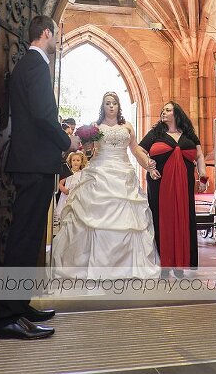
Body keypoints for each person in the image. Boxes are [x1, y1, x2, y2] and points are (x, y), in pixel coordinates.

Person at [0, 15, 80, 340]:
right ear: (46, 33)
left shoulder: (29, 64)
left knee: (28, 240)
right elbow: (44, 115)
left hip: (32, 163)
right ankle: (7, 318)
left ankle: (20, 306)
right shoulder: (36, 64)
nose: (57, 39)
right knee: (24, 239)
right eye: (56, 33)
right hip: (34, 165)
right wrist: (66, 141)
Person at [52, 92, 160, 278]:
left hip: (123, 174)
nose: (111, 106)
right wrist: (85, 143)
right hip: (99, 172)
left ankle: (128, 266)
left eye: (114, 103)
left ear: (119, 106)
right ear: (103, 106)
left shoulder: (127, 126)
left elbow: (135, 150)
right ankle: (88, 263)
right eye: (108, 103)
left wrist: (148, 165)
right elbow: (88, 151)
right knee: (92, 218)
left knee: (129, 220)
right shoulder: (95, 126)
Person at [139, 101, 207, 273]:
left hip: (184, 182)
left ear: (177, 114)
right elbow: (139, 150)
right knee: (161, 219)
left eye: (167, 110)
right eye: (162, 110)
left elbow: (199, 156)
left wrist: (203, 175)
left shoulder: (189, 134)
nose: (163, 112)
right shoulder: (156, 133)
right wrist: (149, 165)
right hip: (159, 182)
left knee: (183, 217)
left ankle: (180, 265)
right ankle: (163, 264)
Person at [54, 151, 88, 228]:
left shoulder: (82, 173)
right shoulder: (68, 173)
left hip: (77, 197)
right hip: (66, 197)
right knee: (64, 215)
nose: (75, 162)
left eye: (78, 160)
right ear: (70, 161)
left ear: (81, 162)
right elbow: (59, 183)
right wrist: (64, 190)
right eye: (73, 160)